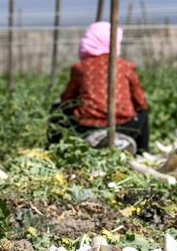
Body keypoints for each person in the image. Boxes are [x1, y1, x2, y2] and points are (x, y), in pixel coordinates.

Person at [49, 21, 150, 153]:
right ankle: (142, 152)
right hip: (124, 126)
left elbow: (67, 100)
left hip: (87, 126)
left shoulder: (81, 67)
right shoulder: (125, 66)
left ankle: (52, 149)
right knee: (143, 113)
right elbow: (141, 102)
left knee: (57, 110)